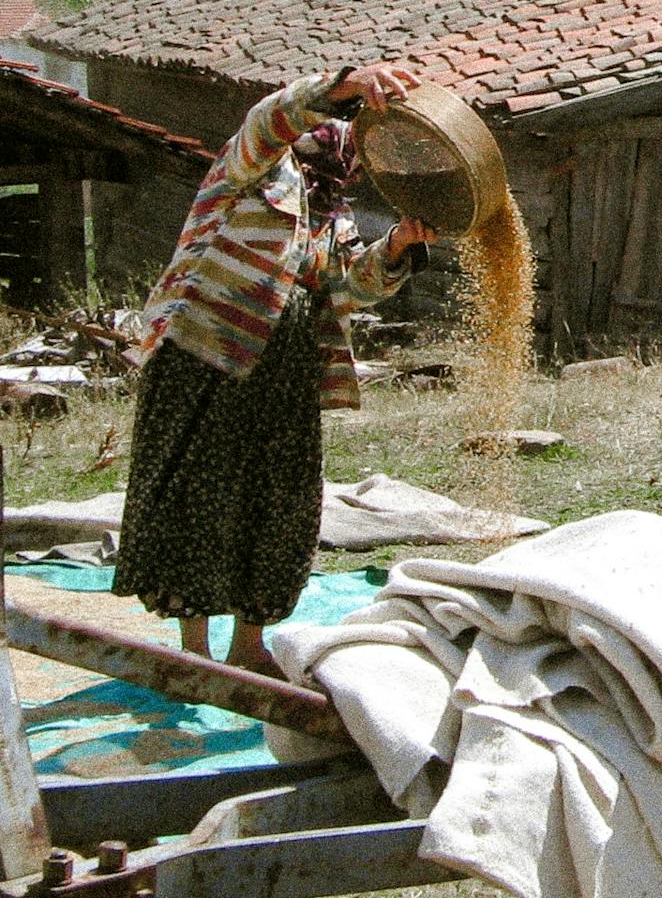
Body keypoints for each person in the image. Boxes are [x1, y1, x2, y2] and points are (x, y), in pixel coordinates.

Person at [111, 64, 436, 674]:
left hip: (283, 378)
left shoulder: (329, 217)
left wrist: (393, 249)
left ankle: (250, 643)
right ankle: (195, 650)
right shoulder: (248, 172)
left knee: (280, 502)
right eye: (335, 146)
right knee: (196, 495)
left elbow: (342, 290)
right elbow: (268, 120)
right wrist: (339, 90)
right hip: (204, 359)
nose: (342, 167)